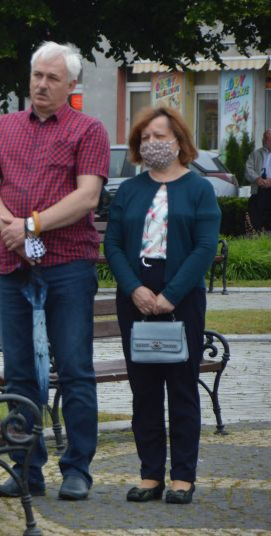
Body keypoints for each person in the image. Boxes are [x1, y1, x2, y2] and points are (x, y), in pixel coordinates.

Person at [0, 41, 110, 501]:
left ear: (70, 85)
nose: (42, 85)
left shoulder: (87, 130)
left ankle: (77, 470)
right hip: (12, 265)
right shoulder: (3, 127)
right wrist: (8, 226)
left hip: (67, 264)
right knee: (18, 374)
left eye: (53, 78)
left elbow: (87, 196)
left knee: (74, 370)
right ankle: (25, 469)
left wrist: (30, 224)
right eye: (37, 75)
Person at [104, 106, 220, 505]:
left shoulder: (199, 189)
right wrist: (134, 288)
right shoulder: (130, 190)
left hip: (181, 296)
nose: (152, 144)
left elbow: (205, 247)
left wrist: (172, 294)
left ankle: (183, 476)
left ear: (179, 141)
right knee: (145, 391)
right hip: (135, 296)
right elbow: (113, 244)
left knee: (182, 388)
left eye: (160, 136)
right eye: (145, 138)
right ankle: (150, 473)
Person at [245, 129, 271, 232]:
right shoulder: (255, 154)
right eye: (264, 138)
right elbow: (248, 170)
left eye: (267, 139)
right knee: (256, 219)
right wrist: (257, 179)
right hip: (258, 191)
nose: (264, 141)